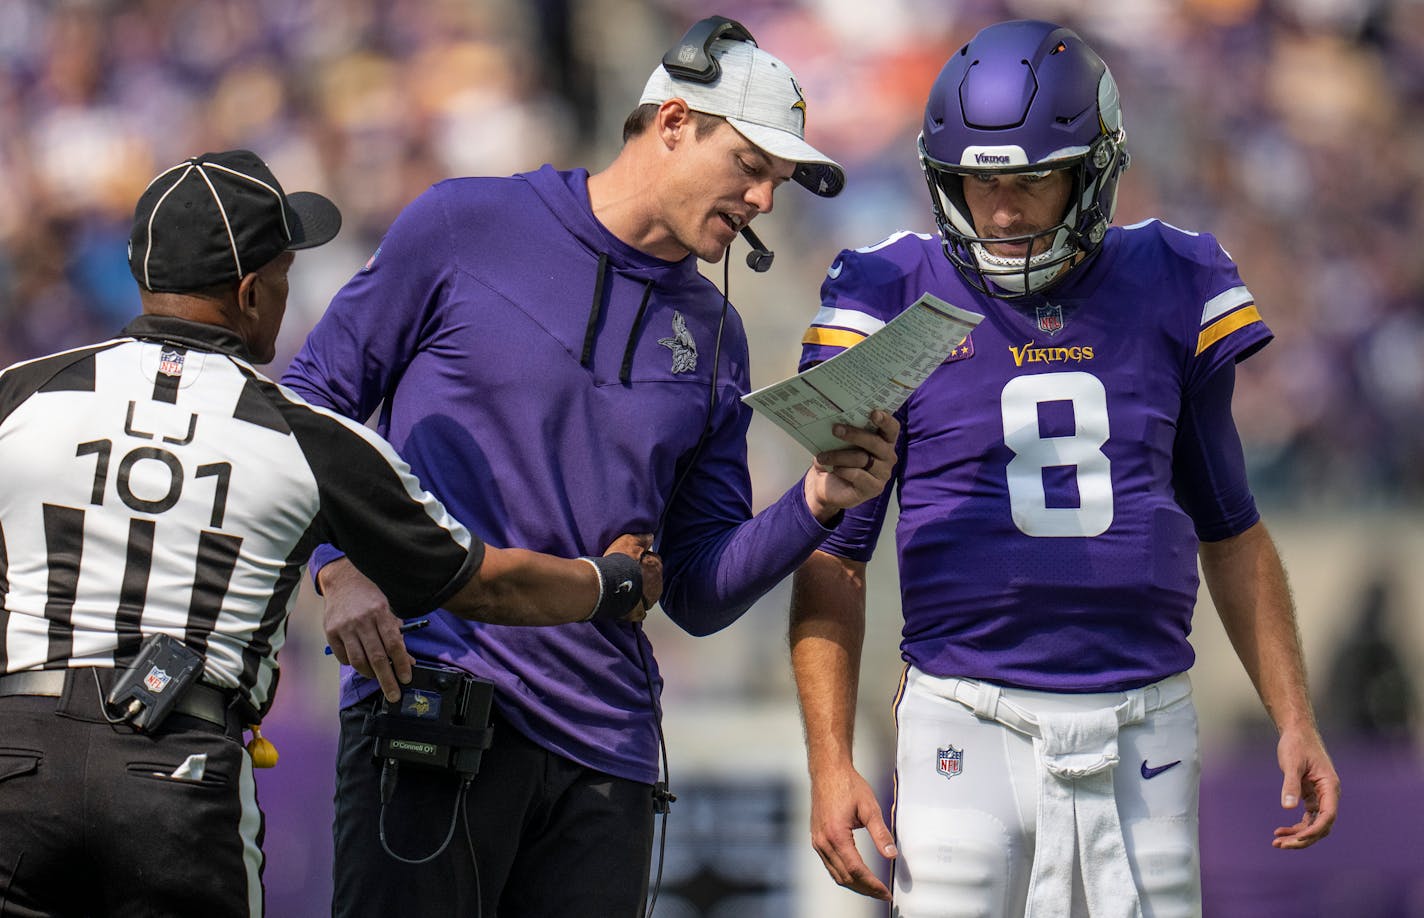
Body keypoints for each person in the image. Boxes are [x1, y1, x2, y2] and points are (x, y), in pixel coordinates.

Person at [279, 15, 900, 918]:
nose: (766, 201)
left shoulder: (720, 337)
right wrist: (333, 570)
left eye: (778, 181)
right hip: (430, 703)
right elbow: (306, 405)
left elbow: (694, 590)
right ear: (674, 121)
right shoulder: (462, 224)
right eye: (752, 166)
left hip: (605, 754)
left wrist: (813, 502)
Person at [0, 150, 660, 918]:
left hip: (17, 754)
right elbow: (486, 585)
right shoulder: (307, 437)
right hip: (178, 774)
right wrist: (609, 584)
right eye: (285, 271)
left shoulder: (22, 394)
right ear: (251, 293)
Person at [788, 19, 1340, 918]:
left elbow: (1229, 525)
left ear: (1096, 169)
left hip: (1145, 719)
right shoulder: (889, 294)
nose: (1003, 212)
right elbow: (835, 552)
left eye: (1034, 179)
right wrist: (830, 758)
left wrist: (1294, 716)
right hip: (963, 716)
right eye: (983, 181)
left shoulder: (1172, 278)